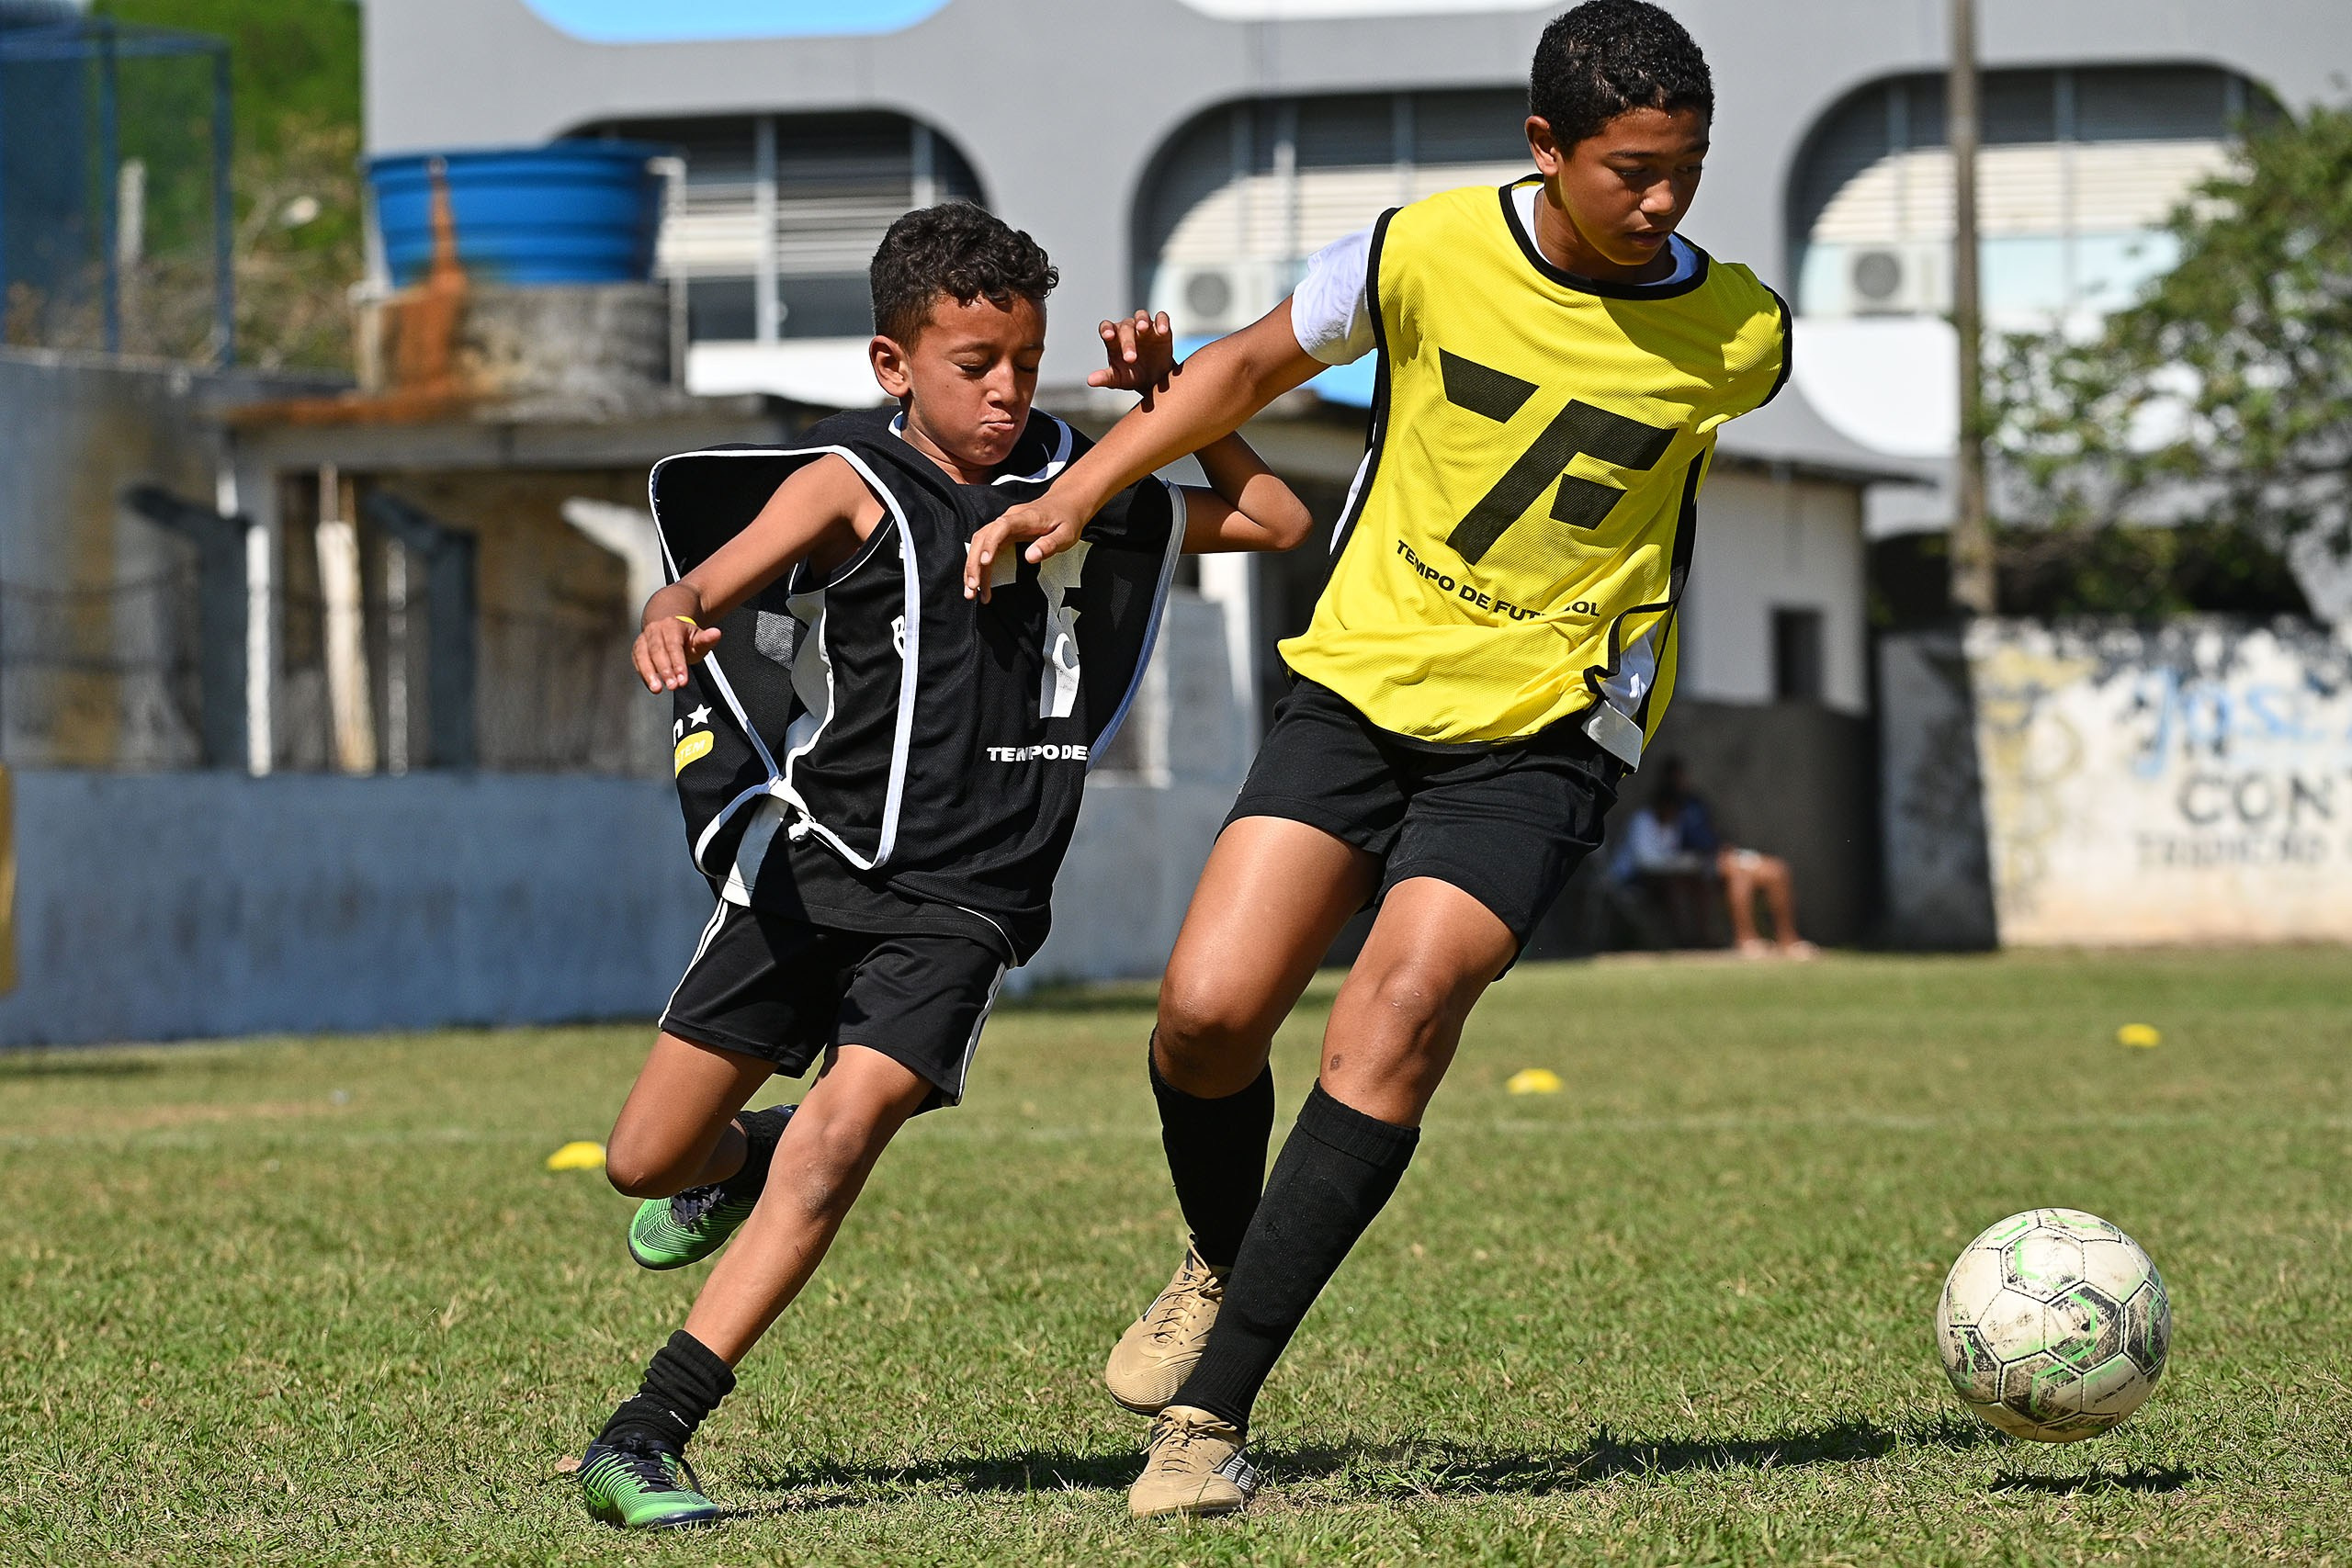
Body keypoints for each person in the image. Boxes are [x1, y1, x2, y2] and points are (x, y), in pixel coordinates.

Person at [966, 0, 1790, 1517]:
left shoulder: (1741, 334)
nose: (1664, 200)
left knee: (1396, 1014)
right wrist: (1075, 492)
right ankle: (1220, 1256)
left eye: (1686, 167)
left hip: (1546, 734)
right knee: (1206, 1020)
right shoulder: (1414, 251)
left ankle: (1210, 1423)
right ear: (1545, 148)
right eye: (1631, 170)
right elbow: (1235, 375)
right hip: (1356, 691)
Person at [574, 202, 1310, 1531]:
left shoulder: (1089, 483)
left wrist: (1172, 403)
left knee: (843, 1142)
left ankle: (646, 1433)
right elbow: (700, 587)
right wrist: (669, 616)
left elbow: (1270, 517)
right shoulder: (849, 489)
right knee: (646, 1162)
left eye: (1024, 362)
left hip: (968, 900)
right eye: (976, 365)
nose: (1007, 392)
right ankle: (740, 1157)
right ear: (891, 364)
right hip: (816, 864)